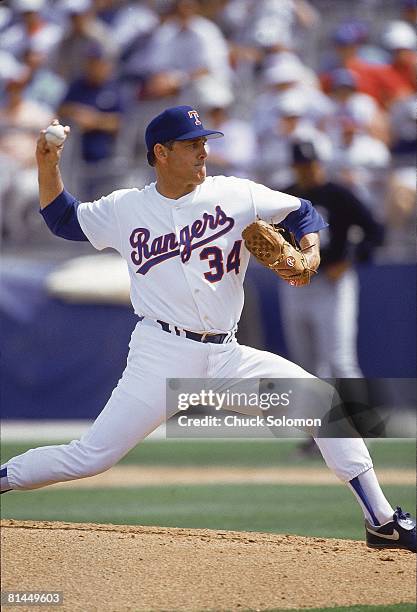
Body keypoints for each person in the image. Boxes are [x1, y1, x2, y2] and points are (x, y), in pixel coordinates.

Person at [0, 106, 415, 553]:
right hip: (160, 356)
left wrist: (310, 253)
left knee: (326, 406)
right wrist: (47, 165)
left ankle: (382, 521)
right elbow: (63, 218)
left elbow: (304, 211)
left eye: (205, 143)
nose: (203, 152)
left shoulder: (234, 194)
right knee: (91, 457)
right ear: (161, 152)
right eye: (192, 144)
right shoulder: (126, 208)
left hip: (228, 359)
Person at [278, 140, 384, 379]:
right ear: (294, 167)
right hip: (297, 283)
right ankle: (314, 417)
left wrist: (349, 260)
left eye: (311, 165)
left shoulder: (338, 195)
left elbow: (375, 231)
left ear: (320, 164)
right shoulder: (284, 197)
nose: (308, 170)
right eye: (302, 166)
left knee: (339, 361)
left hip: (332, 282)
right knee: (303, 365)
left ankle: (357, 417)